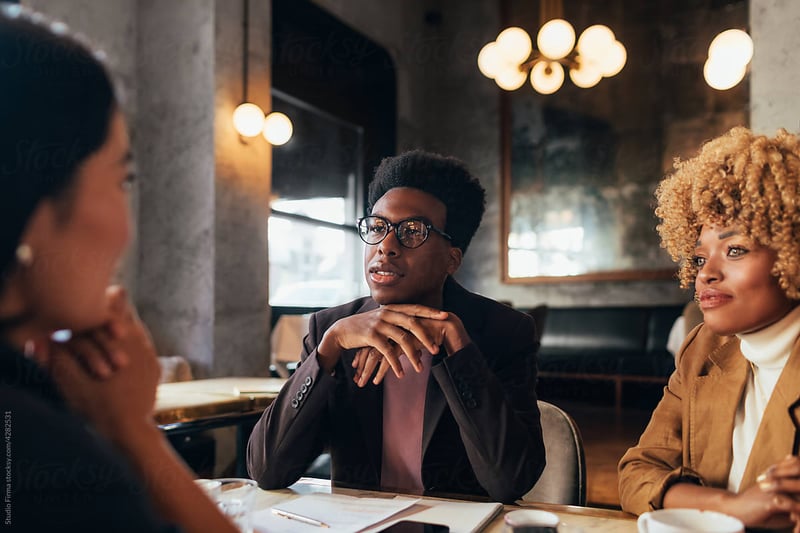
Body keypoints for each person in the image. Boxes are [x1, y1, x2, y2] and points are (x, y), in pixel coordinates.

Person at [0, 7, 237, 532]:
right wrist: (132, 431)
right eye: (120, 181)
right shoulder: (46, 468)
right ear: (34, 211)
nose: (126, 231)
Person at [248, 150, 545, 503]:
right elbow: (267, 471)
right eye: (377, 227)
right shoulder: (332, 331)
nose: (385, 247)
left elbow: (511, 481)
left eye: (412, 231)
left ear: (452, 259)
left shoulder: (503, 331)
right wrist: (328, 348)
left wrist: (458, 351)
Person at [618, 127, 800, 530]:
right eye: (699, 259)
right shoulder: (703, 347)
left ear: (792, 252)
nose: (706, 275)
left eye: (735, 250)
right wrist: (732, 506)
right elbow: (637, 472)